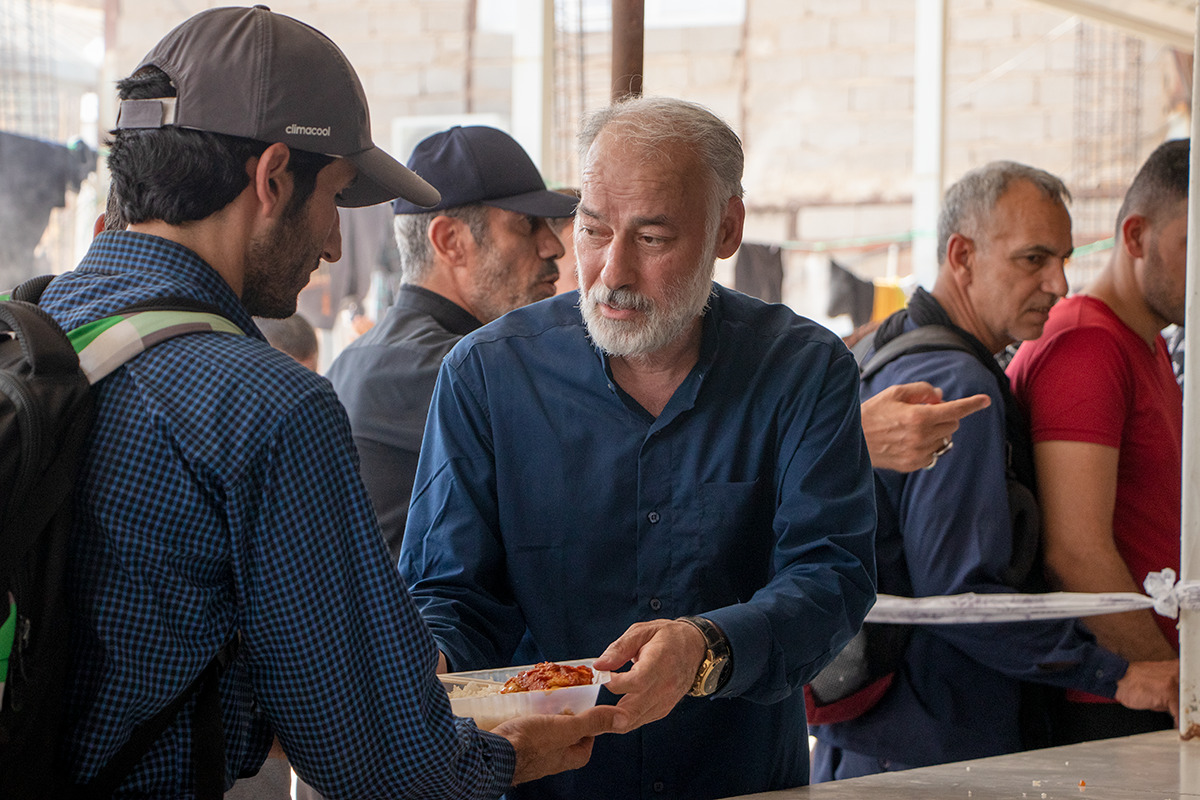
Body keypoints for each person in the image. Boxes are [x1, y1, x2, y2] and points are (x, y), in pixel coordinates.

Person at [36, 7, 615, 795]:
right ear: (273, 178)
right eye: (336, 197)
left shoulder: (35, 330)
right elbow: (385, 769)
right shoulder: (266, 406)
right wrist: (518, 754)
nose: (337, 245)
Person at [400, 96, 877, 800]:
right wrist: (429, 661)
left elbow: (832, 574)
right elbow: (451, 589)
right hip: (552, 784)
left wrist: (707, 648)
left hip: (737, 778)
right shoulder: (488, 376)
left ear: (727, 228)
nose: (612, 272)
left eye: (651, 239)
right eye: (593, 230)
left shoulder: (802, 370)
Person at [810, 160, 1179, 780]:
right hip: (934, 753)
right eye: (1033, 260)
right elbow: (962, 595)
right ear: (962, 256)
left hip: (873, 740)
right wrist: (1118, 674)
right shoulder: (956, 388)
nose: (1059, 283)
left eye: (1063, 259)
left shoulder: (883, 344)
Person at [1008, 139, 1188, 743]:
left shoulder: (1147, 341)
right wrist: (1175, 679)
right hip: (1111, 700)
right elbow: (1076, 553)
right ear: (1135, 236)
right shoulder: (1087, 346)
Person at [327, 125, 573, 559]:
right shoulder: (450, 371)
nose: (553, 247)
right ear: (451, 242)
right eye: (527, 224)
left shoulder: (356, 358)